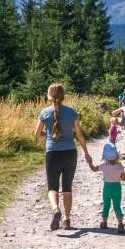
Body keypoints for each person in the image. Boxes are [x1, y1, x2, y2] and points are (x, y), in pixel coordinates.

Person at [34, 83, 92, 231]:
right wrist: (86, 152)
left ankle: (55, 209)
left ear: (49, 95)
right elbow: (79, 135)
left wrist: (48, 135)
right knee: (67, 187)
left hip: (52, 153)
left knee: (52, 187)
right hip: (70, 153)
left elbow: (36, 133)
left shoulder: (45, 113)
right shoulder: (71, 112)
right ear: (63, 95)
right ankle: (66, 219)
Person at [87, 142, 125, 233]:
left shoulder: (103, 166)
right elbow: (124, 178)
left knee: (106, 205)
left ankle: (104, 222)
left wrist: (90, 163)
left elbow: (93, 169)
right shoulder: (119, 166)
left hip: (107, 187)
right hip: (117, 187)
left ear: (105, 156)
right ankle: (120, 224)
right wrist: (120, 175)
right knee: (117, 206)